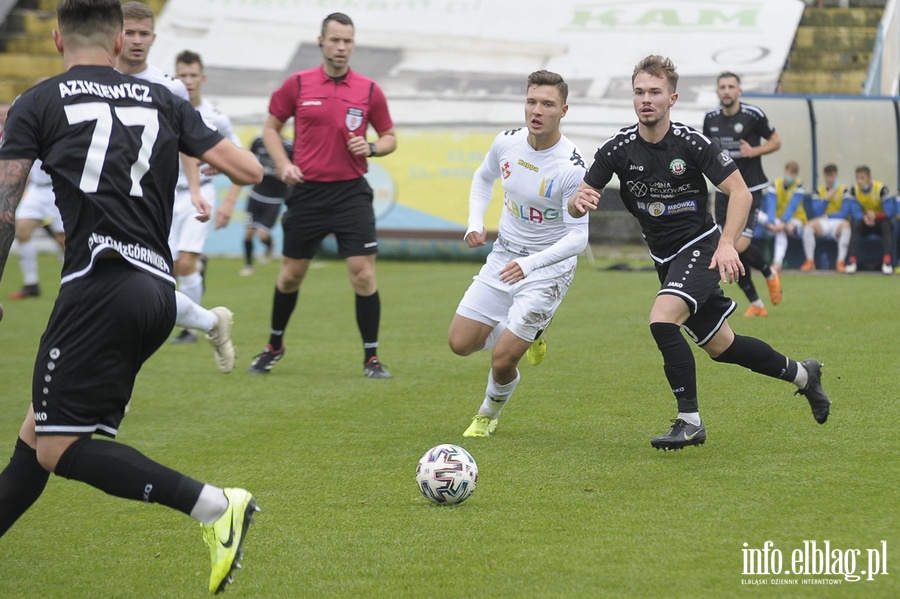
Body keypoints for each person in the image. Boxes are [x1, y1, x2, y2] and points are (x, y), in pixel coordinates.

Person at [0, 0, 263, 593]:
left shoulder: (37, 102)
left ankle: (214, 505)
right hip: (156, 293)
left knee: (59, 448)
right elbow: (248, 170)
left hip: (98, 285)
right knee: (37, 438)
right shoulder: (166, 99)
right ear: (122, 41)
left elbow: (4, 208)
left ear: (56, 40)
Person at [569, 55, 830, 451]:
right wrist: (578, 202)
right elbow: (579, 200)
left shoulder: (693, 143)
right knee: (723, 347)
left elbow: (739, 193)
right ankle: (803, 376)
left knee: (661, 320)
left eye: (655, 92)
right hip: (664, 259)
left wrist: (727, 243)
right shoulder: (617, 149)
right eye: (639, 92)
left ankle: (689, 421)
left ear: (672, 98)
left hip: (700, 248)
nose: (646, 99)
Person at [248, 12, 397, 377]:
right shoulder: (297, 85)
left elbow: (390, 137)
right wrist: (283, 163)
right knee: (290, 276)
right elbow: (270, 129)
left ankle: (372, 358)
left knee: (362, 273)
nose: (341, 47)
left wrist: (373, 148)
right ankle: (274, 345)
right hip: (307, 192)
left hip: (351, 193)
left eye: (347, 41)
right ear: (321, 42)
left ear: (353, 44)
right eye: (335, 40)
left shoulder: (369, 90)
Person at [448, 70, 588, 438]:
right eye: (531, 101)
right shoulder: (506, 143)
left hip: (547, 268)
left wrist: (529, 265)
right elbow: (482, 177)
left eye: (547, 104)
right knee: (460, 344)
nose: (536, 110)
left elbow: (577, 240)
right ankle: (529, 332)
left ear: (564, 110)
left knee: (503, 358)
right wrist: (474, 223)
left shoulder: (571, 167)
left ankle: (487, 415)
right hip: (503, 256)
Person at [116, 2, 236, 370]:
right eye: (129, 33)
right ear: (114, 35)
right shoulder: (97, 78)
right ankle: (210, 321)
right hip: (117, 200)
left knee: (169, 271)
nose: (136, 41)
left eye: (143, 33)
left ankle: (192, 328)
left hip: (163, 201)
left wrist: (202, 188)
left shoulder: (172, 92)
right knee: (139, 283)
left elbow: (193, 144)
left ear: (154, 37)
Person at [169, 49, 242, 341]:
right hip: (166, 196)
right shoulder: (165, 109)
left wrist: (228, 202)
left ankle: (191, 328)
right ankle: (188, 319)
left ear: (203, 78)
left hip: (200, 195)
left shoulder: (215, 117)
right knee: (171, 266)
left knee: (185, 263)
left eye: (192, 75)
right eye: (182, 75)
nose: (187, 80)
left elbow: (239, 160)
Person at [703, 72, 783, 317]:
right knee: (725, 247)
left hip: (750, 189)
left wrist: (754, 150)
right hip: (722, 190)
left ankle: (769, 273)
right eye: (722, 87)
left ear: (739, 91)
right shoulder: (711, 119)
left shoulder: (753, 115)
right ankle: (757, 304)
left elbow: (776, 142)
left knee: (737, 245)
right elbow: (706, 152)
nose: (727, 91)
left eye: (731, 87)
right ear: (717, 92)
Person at [216, 135, 294, 276]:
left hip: (275, 199)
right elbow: (246, 160)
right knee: (249, 233)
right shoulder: (258, 142)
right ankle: (248, 265)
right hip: (256, 196)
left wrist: (285, 172)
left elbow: (296, 169)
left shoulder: (289, 147)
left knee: (263, 235)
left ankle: (270, 246)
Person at [7, 160, 66, 300]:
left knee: (64, 241)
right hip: (36, 189)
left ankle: (82, 278)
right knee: (22, 230)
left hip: (58, 187)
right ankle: (31, 283)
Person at [845, 165, 895, 275]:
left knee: (887, 225)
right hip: (865, 221)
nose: (859, 181)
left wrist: (875, 216)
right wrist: (865, 218)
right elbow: (855, 211)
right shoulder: (854, 190)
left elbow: (889, 212)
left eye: (862, 178)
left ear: (869, 178)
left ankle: (887, 262)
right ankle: (852, 261)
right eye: (857, 178)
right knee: (856, 224)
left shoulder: (881, 189)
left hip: (879, 221)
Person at [801, 163, 851, 272]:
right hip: (823, 222)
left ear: (836, 176)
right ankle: (810, 261)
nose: (829, 179)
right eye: (827, 176)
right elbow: (817, 212)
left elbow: (844, 213)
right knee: (808, 226)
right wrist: (827, 198)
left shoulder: (844, 190)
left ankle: (840, 262)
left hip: (837, 222)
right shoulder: (819, 191)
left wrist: (829, 215)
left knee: (846, 226)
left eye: (832, 176)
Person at [764, 160, 807, 271]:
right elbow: (771, 204)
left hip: (796, 219)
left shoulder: (799, 185)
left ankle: (777, 262)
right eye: (790, 172)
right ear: (785, 171)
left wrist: (783, 222)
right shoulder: (775, 184)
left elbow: (793, 206)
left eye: (794, 173)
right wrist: (771, 221)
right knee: (756, 214)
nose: (791, 176)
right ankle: (777, 263)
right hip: (776, 221)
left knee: (783, 229)